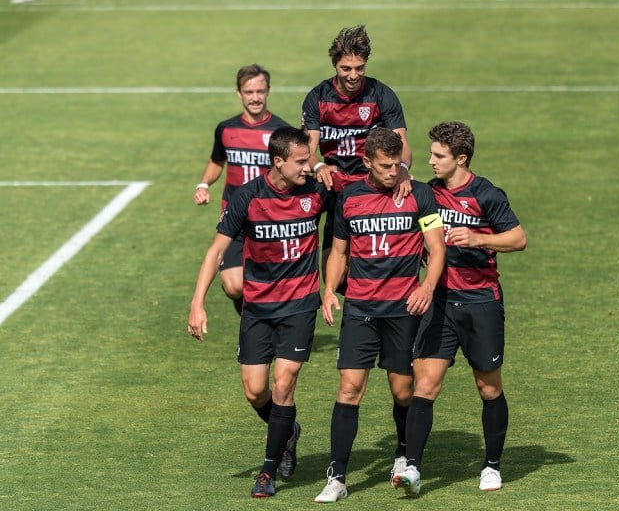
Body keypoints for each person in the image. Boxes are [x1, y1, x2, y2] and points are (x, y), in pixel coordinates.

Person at [188, 127, 330, 499]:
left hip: (299, 305)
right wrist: (197, 303)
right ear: (278, 162)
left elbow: (365, 195)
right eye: (301, 161)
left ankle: (267, 471)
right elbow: (216, 251)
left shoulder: (317, 189)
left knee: (284, 384)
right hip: (258, 308)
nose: (307, 166)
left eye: (309, 159)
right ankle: (289, 431)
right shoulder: (248, 197)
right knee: (255, 392)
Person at [391, 122, 527, 497]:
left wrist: (480, 238)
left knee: (487, 387)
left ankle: (492, 466)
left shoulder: (486, 194)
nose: (431, 161)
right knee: (426, 383)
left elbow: (518, 238)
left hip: (481, 302)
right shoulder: (428, 194)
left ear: (461, 159)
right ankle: (413, 467)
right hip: (439, 303)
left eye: (439, 156)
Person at [313, 127, 446, 503]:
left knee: (403, 391)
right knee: (349, 388)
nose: (394, 170)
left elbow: (436, 249)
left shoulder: (419, 193)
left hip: (403, 309)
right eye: (386, 165)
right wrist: (328, 290)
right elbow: (339, 251)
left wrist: (427, 288)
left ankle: (403, 455)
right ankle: (337, 477)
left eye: (398, 164)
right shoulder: (349, 198)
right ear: (367, 162)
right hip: (360, 308)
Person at [301, 25, 413, 279]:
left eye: (359, 68)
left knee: (377, 267)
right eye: (346, 68)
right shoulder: (317, 97)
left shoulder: (381, 94)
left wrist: (403, 170)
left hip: (372, 184)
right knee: (335, 276)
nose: (353, 75)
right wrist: (318, 166)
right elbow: (307, 149)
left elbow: (402, 144)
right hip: (335, 187)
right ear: (335, 65)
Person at [193, 63, 290, 315]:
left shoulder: (281, 132)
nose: (255, 98)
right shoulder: (226, 129)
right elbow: (217, 161)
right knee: (235, 286)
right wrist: (204, 185)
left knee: (271, 285)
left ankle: (263, 329)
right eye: (249, 92)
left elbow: (297, 165)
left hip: (269, 219)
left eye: (260, 91)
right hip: (234, 218)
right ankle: (251, 318)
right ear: (239, 93)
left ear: (268, 91)